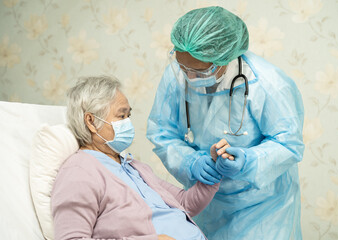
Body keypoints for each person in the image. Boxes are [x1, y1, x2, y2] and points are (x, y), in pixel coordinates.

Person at [147, 6, 304, 240]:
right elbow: (162, 132)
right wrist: (190, 162)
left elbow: (289, 145)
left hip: (263, 207)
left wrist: (248, 161)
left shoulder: (269, 84)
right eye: (183, 67)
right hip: (207, 201)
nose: (189, 77)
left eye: (200, 71)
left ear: (225, 58)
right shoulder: (177, 74)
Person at [51, 75, 220, 240]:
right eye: (121, 116)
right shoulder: (79, 171)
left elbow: (184, 204)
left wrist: (214, 168)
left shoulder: (134, 167)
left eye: (128, 116)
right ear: (91, 121)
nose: (128, 123)